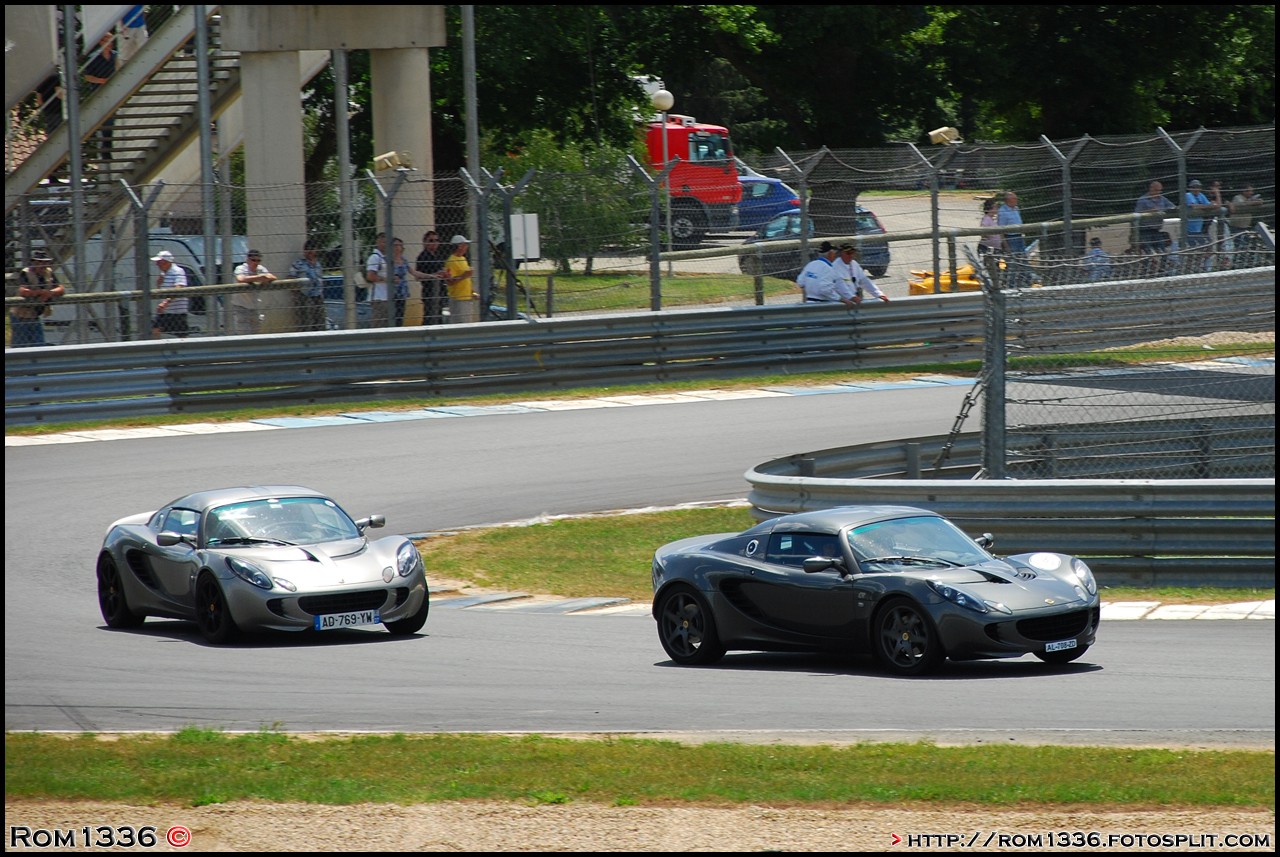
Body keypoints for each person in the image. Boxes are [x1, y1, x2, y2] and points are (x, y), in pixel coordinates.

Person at [8, 250, 64, 348]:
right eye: (40, 262)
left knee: (38, 344)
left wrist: (50, 293)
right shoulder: (26, 273)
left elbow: (61, 289)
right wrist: (41, 292)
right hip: (21, 315)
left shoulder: (48, 272)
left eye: (46, 262)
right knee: (20, 346)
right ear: (34, 263)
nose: (44, 265)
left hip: (35, 314)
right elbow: (23, 291)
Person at [796, 241, 856, 306]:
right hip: (822, 305)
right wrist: (840, 299)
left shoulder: (811, 264)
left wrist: (812, 287)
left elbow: (800, 282)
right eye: (834, 253)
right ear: (830, 253)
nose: (835, 255)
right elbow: (825, 289)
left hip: (808, 303)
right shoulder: (829, 269)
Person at [232, 249, 276, 335]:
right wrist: (258, 277)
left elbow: (272, 277)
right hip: (241, 306)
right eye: (253, 260)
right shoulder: (241, 268)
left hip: (254, 306)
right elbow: (240, 279)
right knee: (244, 333)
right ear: (248, 260)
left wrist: (264, 277)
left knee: (255, 332)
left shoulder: (260, 268)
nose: (256, 263)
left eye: (258, 260)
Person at [150, 250, 190, 338]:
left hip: (176, 311)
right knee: (154, 327)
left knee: (181, 335)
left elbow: (179, 288)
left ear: (165, 262)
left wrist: (165, 302)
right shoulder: (164, 273)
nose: (157, 264)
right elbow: (161, 289)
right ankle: (158, 347)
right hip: (167, 311)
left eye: (159, 262)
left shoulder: (178, 271)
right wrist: (159, 283)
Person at [289, 239, 327, 332]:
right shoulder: (298, 263)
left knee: (320, 320)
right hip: (304, 295)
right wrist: (296, 292)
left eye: (312, 250)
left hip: (317, 295)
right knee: (306, 321)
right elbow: (291, 277)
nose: (310, 253)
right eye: (308, 250)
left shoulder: (318, 264)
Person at [412, 231, 448, 326]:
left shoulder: (438, 256)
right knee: (430, 316)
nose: (434, 242)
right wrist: (434, 275)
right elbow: (418, 276)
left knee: (438, 316)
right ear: (425, 242)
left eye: (436, 240)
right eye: (431, 240)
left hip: (440, 290)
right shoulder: (423, 257)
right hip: (429, 291)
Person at [444, 235, 479, 323]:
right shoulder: (451, 261)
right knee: (461, 324)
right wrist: (464, 275)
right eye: (465, 245)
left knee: (467, 323)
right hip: (458, 299)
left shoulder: (463, 259)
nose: (467, 247)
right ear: (459, 246)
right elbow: (450, 281)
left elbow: (466, 280)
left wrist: (472, 292)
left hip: (466, 297)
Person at [1134, 180, 1175, 252]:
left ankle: (1162, 262)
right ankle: (1147, 262)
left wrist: (1164, 210)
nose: (1158, 192)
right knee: (1147, 251)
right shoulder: (1142, 200)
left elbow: (1172, 207)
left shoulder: (1162, 199)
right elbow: (1137, 213)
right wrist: (1149, 212)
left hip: (1156, 230)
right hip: (1145, 230)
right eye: (1156, 190)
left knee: (1162, 250)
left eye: (1160, 191)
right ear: (1151, 189)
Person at [1183, 179, 1216, 261]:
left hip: (1199, 229)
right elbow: (1194, 206)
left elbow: (1212, 206)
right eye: (1194, 187)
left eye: (1198, 187)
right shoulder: (1188, 195)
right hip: (1189, 229)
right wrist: (1206, 207)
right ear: (1190, 188)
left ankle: (1201, 267)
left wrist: (1205, 206)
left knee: (1208, 247)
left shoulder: (1201, 195)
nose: (1196, 189)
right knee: (1192, 251)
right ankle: (1191, 269)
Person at [364, 233, 390, 327]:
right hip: (378, 297)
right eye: (383, 242)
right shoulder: (375, 257)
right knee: (379, 324)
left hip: (386, 296)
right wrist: (387, 279)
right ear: (378, 243)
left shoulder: (385, 258)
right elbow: (370, 276)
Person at [390, 238, 411, 327]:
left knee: (400, 316)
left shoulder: (404, 260)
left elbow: (413, 272)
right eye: (395, 245)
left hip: (402, 292)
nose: (398, 248)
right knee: (392, 317)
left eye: (400, 245)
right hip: (392, 293)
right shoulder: (388, 260)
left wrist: (430, 275)